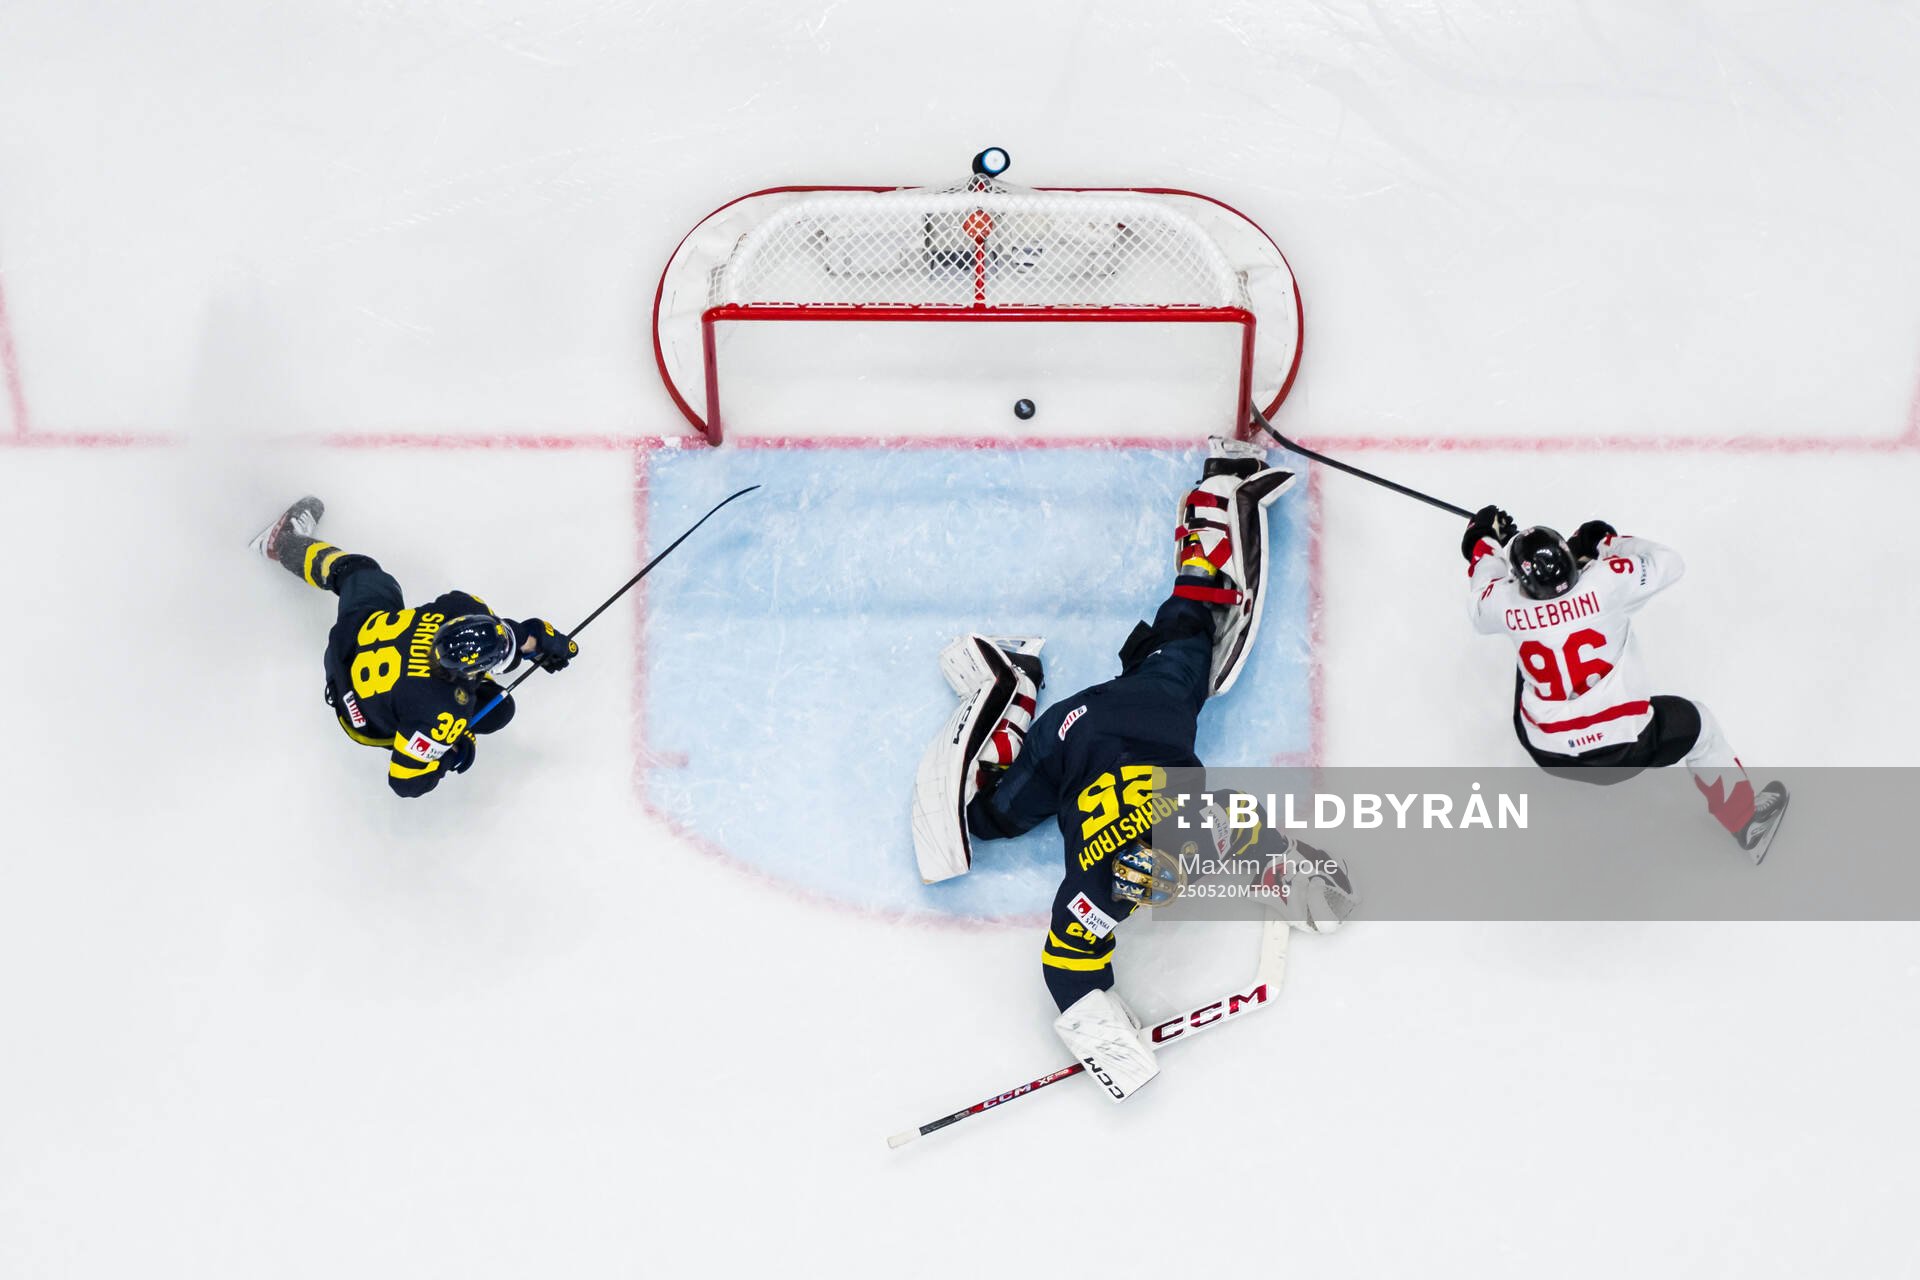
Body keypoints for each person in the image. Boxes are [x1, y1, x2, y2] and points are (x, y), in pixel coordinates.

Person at [911, 439, 1352, 1103]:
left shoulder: (1147, 860)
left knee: (1186, 641)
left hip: (1117, 719)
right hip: (1078, 736)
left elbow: (1071, 970)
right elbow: (1067, 967)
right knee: (989, 817)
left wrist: (1106, 1037)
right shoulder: (1112, 880)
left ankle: (1014, 679)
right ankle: (1008, 684)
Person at [1461, 507, 1787, 861]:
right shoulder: (1605, 583)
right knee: (1701, 726)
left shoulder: (1503, 604)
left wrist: (1485, 541)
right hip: (1626, 750)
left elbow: (1483, 594)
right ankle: (1746, 821)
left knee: (1528, 655)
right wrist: (1605, 543)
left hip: (1547, 751)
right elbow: (1668, 562)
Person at [250, 496, 578, 798]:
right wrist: (450, 754)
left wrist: (533, 638)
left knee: (357, 572)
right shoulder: (441, 713)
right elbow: (405, 783)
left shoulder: (458, 607)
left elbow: (503, 634)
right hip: (358, 712)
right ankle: (403, 724)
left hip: (356, 634)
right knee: (498, 709)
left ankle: (285, 543)